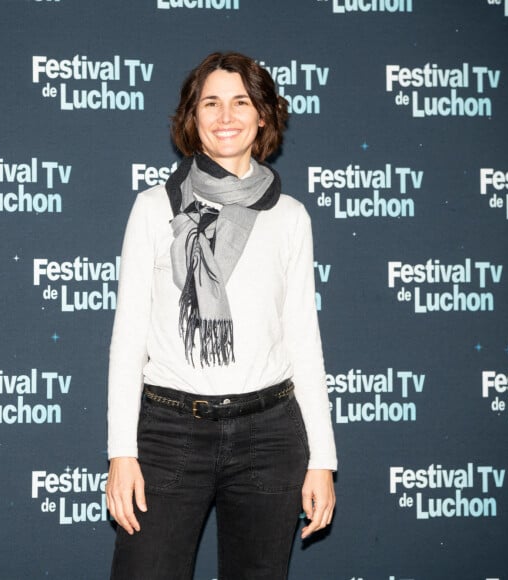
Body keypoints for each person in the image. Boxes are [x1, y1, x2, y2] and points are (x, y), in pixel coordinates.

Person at [106, 51, 337, 580]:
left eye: (241, 101)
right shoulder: (153, 207)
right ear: (193, 117)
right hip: (167, 432)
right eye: (211, 102)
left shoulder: (290, 217)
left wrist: (322, 459)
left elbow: (304, 339)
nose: (225, 115)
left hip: (270, 435)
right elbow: (127, 340)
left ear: (263, 115)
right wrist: (121, 453)